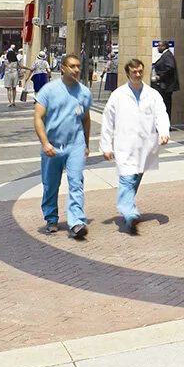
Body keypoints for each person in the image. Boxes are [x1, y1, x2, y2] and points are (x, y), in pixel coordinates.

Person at [100, 57, 170, 234]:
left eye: (140, 71)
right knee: (127, 179)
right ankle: (129, 213)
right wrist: (106, 146)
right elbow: (108, 121)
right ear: (127, 74)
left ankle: (128, 207)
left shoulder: (152, 95)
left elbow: (161, 114)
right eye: (134, 72)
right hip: (125, 145)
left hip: (145, 147)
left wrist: (164, 132)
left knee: (135, 179)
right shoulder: (118, 95)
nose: (138, 75)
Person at [33, 52, 93, 238]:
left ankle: (76, 222)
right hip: (53, 145)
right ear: (63, 68)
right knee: (51, 185)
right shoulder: (48, 91)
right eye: (72, 66)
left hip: (75, 144)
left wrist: (86, 144)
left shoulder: (84, 92)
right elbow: (38, 117)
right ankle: (51, 217)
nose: (76, 70)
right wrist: (45, 143)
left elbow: (86, 119)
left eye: (78, 67)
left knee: (76, 182)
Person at [151, 39, 179, 117]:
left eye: (159, 46)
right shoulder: (165, 55)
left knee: (165, 106)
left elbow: (170, 67)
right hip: (163, 86)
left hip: (166, 86)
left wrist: (160, 77)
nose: (157, 48)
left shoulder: (167, 55)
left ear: (164, 46)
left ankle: (166, 122)